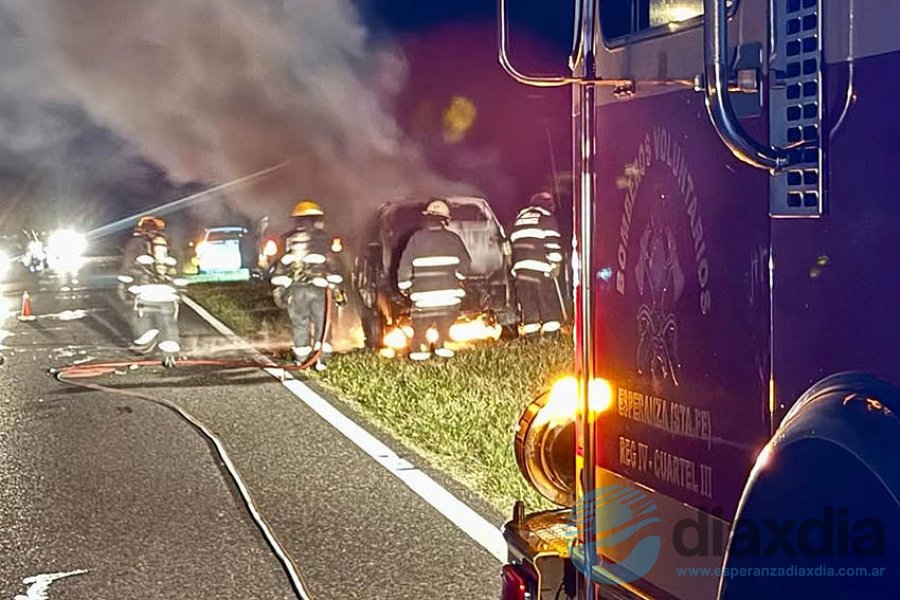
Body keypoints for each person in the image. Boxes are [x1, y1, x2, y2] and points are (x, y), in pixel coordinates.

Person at [271, 200, 344, 370]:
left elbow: (279, 268)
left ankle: (302, 360)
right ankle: (321, 360)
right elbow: (333, 264)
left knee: (299, 324)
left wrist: (280, 288)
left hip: (296, 291)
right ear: (316, 219)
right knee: (323, 324)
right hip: (319, 290)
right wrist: (336, 285)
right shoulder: (323, 238)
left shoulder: (288, 239)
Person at [397, 198, 471, 361]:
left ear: (427, 218)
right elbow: (465, 264)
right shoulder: (454, 239)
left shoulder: (416, 239)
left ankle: (420, 352)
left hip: (423, 298)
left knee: (420, 330)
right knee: (445, 328)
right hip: (449, 298)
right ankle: (443, 348)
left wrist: (404, 286)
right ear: (446, 220)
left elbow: (404, 266)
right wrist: (458, 278)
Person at [118, 216, 183, 361]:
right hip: (168, 293)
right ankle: (170, 352)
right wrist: (179, 289)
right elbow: (179, 268)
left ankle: (145, 345)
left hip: (145, 293)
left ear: (141, 229)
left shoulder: (134, 244)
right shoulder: (169, 243)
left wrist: (123, 286)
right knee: (168, 323)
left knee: (142, 320)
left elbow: (127, 267)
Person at [510, 192, 564, 338]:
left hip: (521, 269)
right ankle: (551, 334)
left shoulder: (519, 219)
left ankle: (531, 336)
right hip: (540, 268)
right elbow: (552, 241)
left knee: (528, 304)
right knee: (546, 300)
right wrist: (555, 263)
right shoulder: (546, 217)